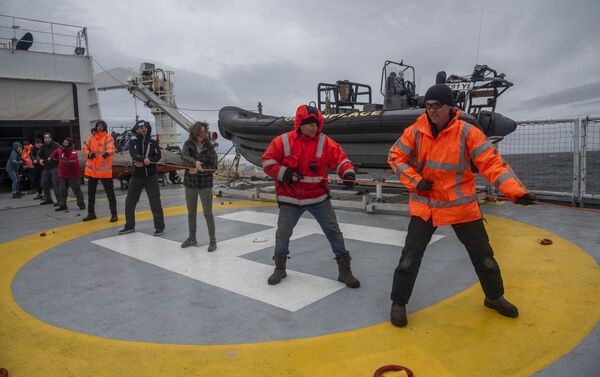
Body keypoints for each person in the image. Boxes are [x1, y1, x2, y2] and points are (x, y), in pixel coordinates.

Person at [387, 84, 535, 327]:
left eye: (437, 106)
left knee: (484, 256)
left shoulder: (468, 133)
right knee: (409, 258)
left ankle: (495, 297)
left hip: (460, 207)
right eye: (428, 106)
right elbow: (395, 156)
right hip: (427, 206)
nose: (432, 111)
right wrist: (416, 181)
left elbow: (492, 164)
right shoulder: (415, 131)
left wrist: (516, 191)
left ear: (450, 107)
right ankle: (398, 303)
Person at [260, 104, 360, 288]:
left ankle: (345, 271)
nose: (314, 127)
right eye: (310, 124)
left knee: (333, 232)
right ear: (300, 125)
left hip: (318, 198)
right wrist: (286, 173)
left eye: (316, 124)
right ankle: (280, 268)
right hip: (290, 198)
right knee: (283, 234)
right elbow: (267, 161)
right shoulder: (283, 141)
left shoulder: (325, 142)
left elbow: (341, 160)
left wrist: (347, 174)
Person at [119, 120, 165, 236]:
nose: (143, 129)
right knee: (130, 201)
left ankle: (159, 227)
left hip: (151, 176)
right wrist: (143, 160)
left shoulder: (153, 142)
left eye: (145, 127)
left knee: (155, 202)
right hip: (137, 176)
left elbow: (158, 155)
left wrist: (147, 162)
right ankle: (129, 226)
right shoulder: (134, 141)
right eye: (141, 128)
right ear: (137, 129)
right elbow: (134, 154)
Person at [179, 122, 218, 250]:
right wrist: (194, 163)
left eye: (205, 132)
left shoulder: (210, 147)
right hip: (190, 185)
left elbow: (213, 167)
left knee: (208, 213)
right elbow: (183, 156)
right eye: (201, 132)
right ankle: (192, 239)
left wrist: (200, 169)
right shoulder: (188, 144)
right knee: (191, 213)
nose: (204, 134)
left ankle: (213, 241)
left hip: (205, 185)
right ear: (195, 133)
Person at [82, 120, 118, 222]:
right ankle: (91, 214)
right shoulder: (91, 137)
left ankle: (114, 215)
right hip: (92, 171)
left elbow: (112, 148)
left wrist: (107, 153)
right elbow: (85, 147)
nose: (100, 128)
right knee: (91, 195)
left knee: (110, 195)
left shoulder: (108, 137)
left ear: (104, 127)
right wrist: (88, 154)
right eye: (98, 126)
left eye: (102, 126)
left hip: (104, 172)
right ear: (96, 127)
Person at [54, 137, 85, 211]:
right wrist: (51, 158)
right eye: (64, 142)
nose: (64, 144)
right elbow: (55, 153)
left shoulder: (72, 151)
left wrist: (67, 161)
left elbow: (73, 160)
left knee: (76, 190)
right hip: (63, 174)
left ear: (70, 144)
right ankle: (63, 205)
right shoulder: (62, 151)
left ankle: (81, 205)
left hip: (73, 175)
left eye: (66, 143)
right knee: (62, 190)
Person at [38, 133, 61, 205]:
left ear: (51, 138)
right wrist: (40, 160)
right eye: (45, 138)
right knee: (44, 183)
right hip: (46, 167)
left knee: (55, 184)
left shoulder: (56, 145)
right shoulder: (43, 146)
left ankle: (60, 201)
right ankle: (48, 200)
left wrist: (55, 159)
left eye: (48, 138)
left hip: (55, 166)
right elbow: (38, 154)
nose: (47, 139)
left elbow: (62, 154)